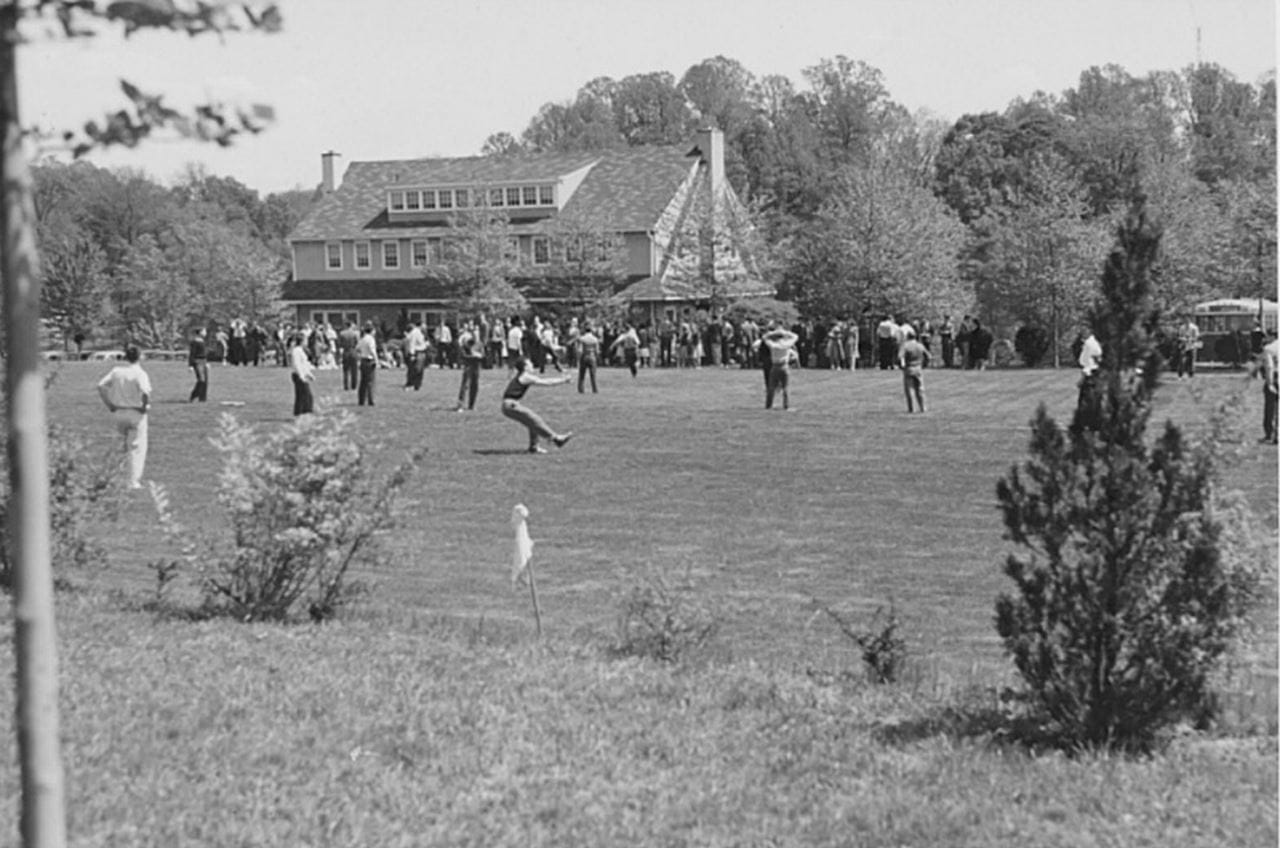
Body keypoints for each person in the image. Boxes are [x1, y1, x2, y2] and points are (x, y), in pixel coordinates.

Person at [96, 344, 152, 489]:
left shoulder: (116, 371)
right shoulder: (140, 373)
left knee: (118, 446)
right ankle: (133, 481)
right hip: (135, 412)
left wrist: (109, 404)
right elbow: (145, 392)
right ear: (139, 357)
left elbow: (101, 386)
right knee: (137, 447)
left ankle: (114, 477)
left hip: (119, 411)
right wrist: (144, 406)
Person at [501, 356, 574, 454]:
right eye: (529, 363)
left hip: (509, 406)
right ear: (525, 367)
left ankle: (534, 447)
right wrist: (564, 380)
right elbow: (547, 382)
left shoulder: (522, 375)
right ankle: (556, 439)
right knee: (534, 419)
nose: (532, 365)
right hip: (511, 405)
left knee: (531, 422)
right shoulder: (526, 376)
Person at [761, 325, 799, 410]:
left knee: (771, 387)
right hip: (784, 366)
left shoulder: (773, 345)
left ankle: (768, 405)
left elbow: (764, 337)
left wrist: (774, 332)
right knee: (785, 387)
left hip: (774, 366)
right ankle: (786, 406)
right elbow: (796, 336)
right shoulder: (786, 344)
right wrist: (784, 332)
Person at [898, 326, 931, 413]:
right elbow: (929, 356)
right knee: (920, 388)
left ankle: (912, 408)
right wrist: (924, 365)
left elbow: (900, 357)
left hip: (909, 368)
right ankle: (923, 408)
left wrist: (902, 366)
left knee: (909, 389)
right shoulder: (920, 345)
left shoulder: (906, 346)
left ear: (907, 337)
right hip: (918, 368)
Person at [1076, 325, 1103, 431]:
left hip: (1091, 375)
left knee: (1087, 401)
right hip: (1094, 374)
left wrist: (1082, 379)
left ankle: (1085, 424)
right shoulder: (1092, 344)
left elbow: (1089, 365)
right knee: (1093, 400)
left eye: (1084, 331)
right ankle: (1094, 423)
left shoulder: (1089, 345)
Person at [455, 319, 485, 412]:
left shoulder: (480, 344)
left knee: (475, 386)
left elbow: (483, 356)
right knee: (465, 385)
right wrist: (474, 356)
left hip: (477, 367)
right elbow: (463, 356)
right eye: (474, 332)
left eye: (477, 331)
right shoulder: (466, 343)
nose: (476, 334)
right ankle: (460, 405)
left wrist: (479, 356)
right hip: (468, 366)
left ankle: (471, 405)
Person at [289, 333, 316, 416]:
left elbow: (304, 364)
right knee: (307, 396)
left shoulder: (301, 350)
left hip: (302, 374)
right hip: (298, 375)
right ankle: (306, 412)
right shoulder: (296, 351)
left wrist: (309, 374)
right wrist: (301, 376)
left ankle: (299, 413)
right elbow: (297, 364)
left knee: (301, 396)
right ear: (302, 341)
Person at [1260, 329, 1278, 445]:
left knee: (1271, 409)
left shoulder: (1269, 349)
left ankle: (1270, 434)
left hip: (1276, 377)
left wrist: (1270, 383)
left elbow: (1269, 367)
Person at [356, 322, 378, 407]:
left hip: (363, 360)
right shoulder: (371, 339)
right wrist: (376, 360)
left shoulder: (362, 339)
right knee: (371, 381)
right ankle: (371, 400)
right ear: (372, 330)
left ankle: (361, 400)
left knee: (363, 381)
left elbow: (357, 348)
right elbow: (372, 350)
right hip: (369, 360)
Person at [576, 324, 602, 393]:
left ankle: (581, 390)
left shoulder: (582, 338)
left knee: (582, 375)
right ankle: (595, 389)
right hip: (592, 357)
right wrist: (597, 357)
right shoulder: (595, 339)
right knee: (593, 375)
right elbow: (597, 351)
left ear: (585, 330)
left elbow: (580, 350)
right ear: (591, 331)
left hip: (584, 356)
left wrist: (578, 358)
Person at [403, 319, 428, 390]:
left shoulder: (421, 332)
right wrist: (412, 355)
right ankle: (412, 384)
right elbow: (412, 344)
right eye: (424, 324)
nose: (425, 326)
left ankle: (417, 384)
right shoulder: (415, 332)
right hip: (418, 352)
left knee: (420, 370)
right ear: (421, 325)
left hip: (422, 352)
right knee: (416, 369)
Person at [1175, 314, 1201, 379]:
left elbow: (1197, 337)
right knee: (1182, 360)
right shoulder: (1182, 328)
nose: (1186, 320)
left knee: (1191, 361)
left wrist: (1191, 339)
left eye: (1187, 319)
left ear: (1190, 319)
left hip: (1192, 346)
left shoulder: (1194, 327)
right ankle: (1180, 374)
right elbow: (1179, 336)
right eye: (1185, 319)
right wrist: (1182, 339)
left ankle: (1191, 374)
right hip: (1183, 346)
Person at [187, 327, 209, 402]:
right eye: (204, 331)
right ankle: (194, 395)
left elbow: (204, 353)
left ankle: (202, 398)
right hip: (197, 362)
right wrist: (190, 365)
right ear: (200, 332)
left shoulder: (202, 341)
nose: (206, 332)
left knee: (205, 381)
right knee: (201, 380)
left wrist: (206, 362)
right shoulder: (195, 342)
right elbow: (192, 354)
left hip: (203, 361)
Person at [338, 320, 360, 391]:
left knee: (346, 370)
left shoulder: (342, 333)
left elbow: (340, 344)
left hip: (346, 351)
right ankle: (354, 385)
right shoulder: (355, 333)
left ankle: (346, 386)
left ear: (346, 325)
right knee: (354, 370)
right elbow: (357, 343)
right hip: (353, 351)